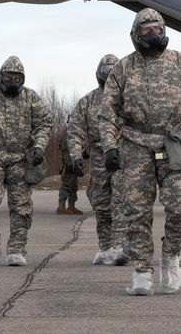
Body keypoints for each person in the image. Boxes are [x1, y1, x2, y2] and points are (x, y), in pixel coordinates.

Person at [98, 8, 181, 296]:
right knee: (136, 212)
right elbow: (108, 111)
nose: (153, 35)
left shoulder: (180, 63)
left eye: (158, 29)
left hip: (174, 144)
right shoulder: (124, 68)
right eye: (147, 30)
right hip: (136, 144)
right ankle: (141, 272)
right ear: (136, 34)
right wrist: (111, 146)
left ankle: (171, 257)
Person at [0, 55, 53, 267]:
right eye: (8, 76)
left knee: (21, 205)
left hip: (21, 157)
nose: (12, 81)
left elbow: (44, 123)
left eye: (17, 78)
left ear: (22, 79)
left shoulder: (31, 98)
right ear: (0, 77)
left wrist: (39, 146)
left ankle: (16, 249)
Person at [67, 53, 129, 265]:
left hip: (124, 155)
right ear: (98, 73)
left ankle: (121, 246)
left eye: (113, 71)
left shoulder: (128, 97)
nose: (108, 75)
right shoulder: (88, 101)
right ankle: (105, 246)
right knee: (101, 205)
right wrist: (76, 156)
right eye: (105, 71)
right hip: (98, 157)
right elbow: (75, 130)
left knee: (120, 202)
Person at [56, 122, 83, 215]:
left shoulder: (75, 135)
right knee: (66, 186)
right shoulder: (66, 136)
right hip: (68, 165)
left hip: (75, 164)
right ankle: (61, 206)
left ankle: (71, 206)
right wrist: (69, 164)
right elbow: (64, 151)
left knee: (74, 187)